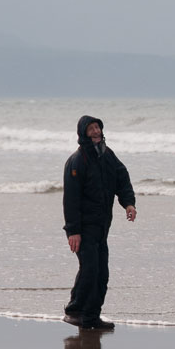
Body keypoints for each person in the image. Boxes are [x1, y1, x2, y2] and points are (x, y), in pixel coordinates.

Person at [62, 115, 137, 329]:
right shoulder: (77, 161)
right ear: (83, 133)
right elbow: (70, 199)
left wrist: (128, 203)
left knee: (102, 273)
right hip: (83, 228)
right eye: (91, 128)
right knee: (91, 269)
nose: (95, 131)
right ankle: (75, 310)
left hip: (102, 227)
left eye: (97, 127)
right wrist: (73, 231)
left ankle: (91, 317)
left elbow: (122, 179)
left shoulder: (107, 155)